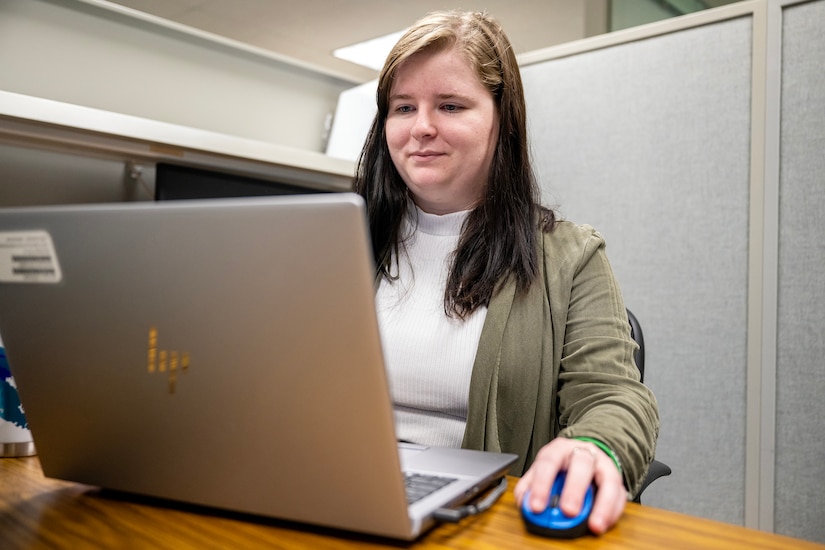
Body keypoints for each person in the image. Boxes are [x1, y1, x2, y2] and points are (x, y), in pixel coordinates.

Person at [352, 10, 659, 535]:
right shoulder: (341, 239)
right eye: (404, 107)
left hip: (476, 519)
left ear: (503, 120)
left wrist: (595, 444)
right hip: (338, 491)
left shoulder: (569, 256)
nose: (422, 127)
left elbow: (613, 397)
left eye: (450, 105)